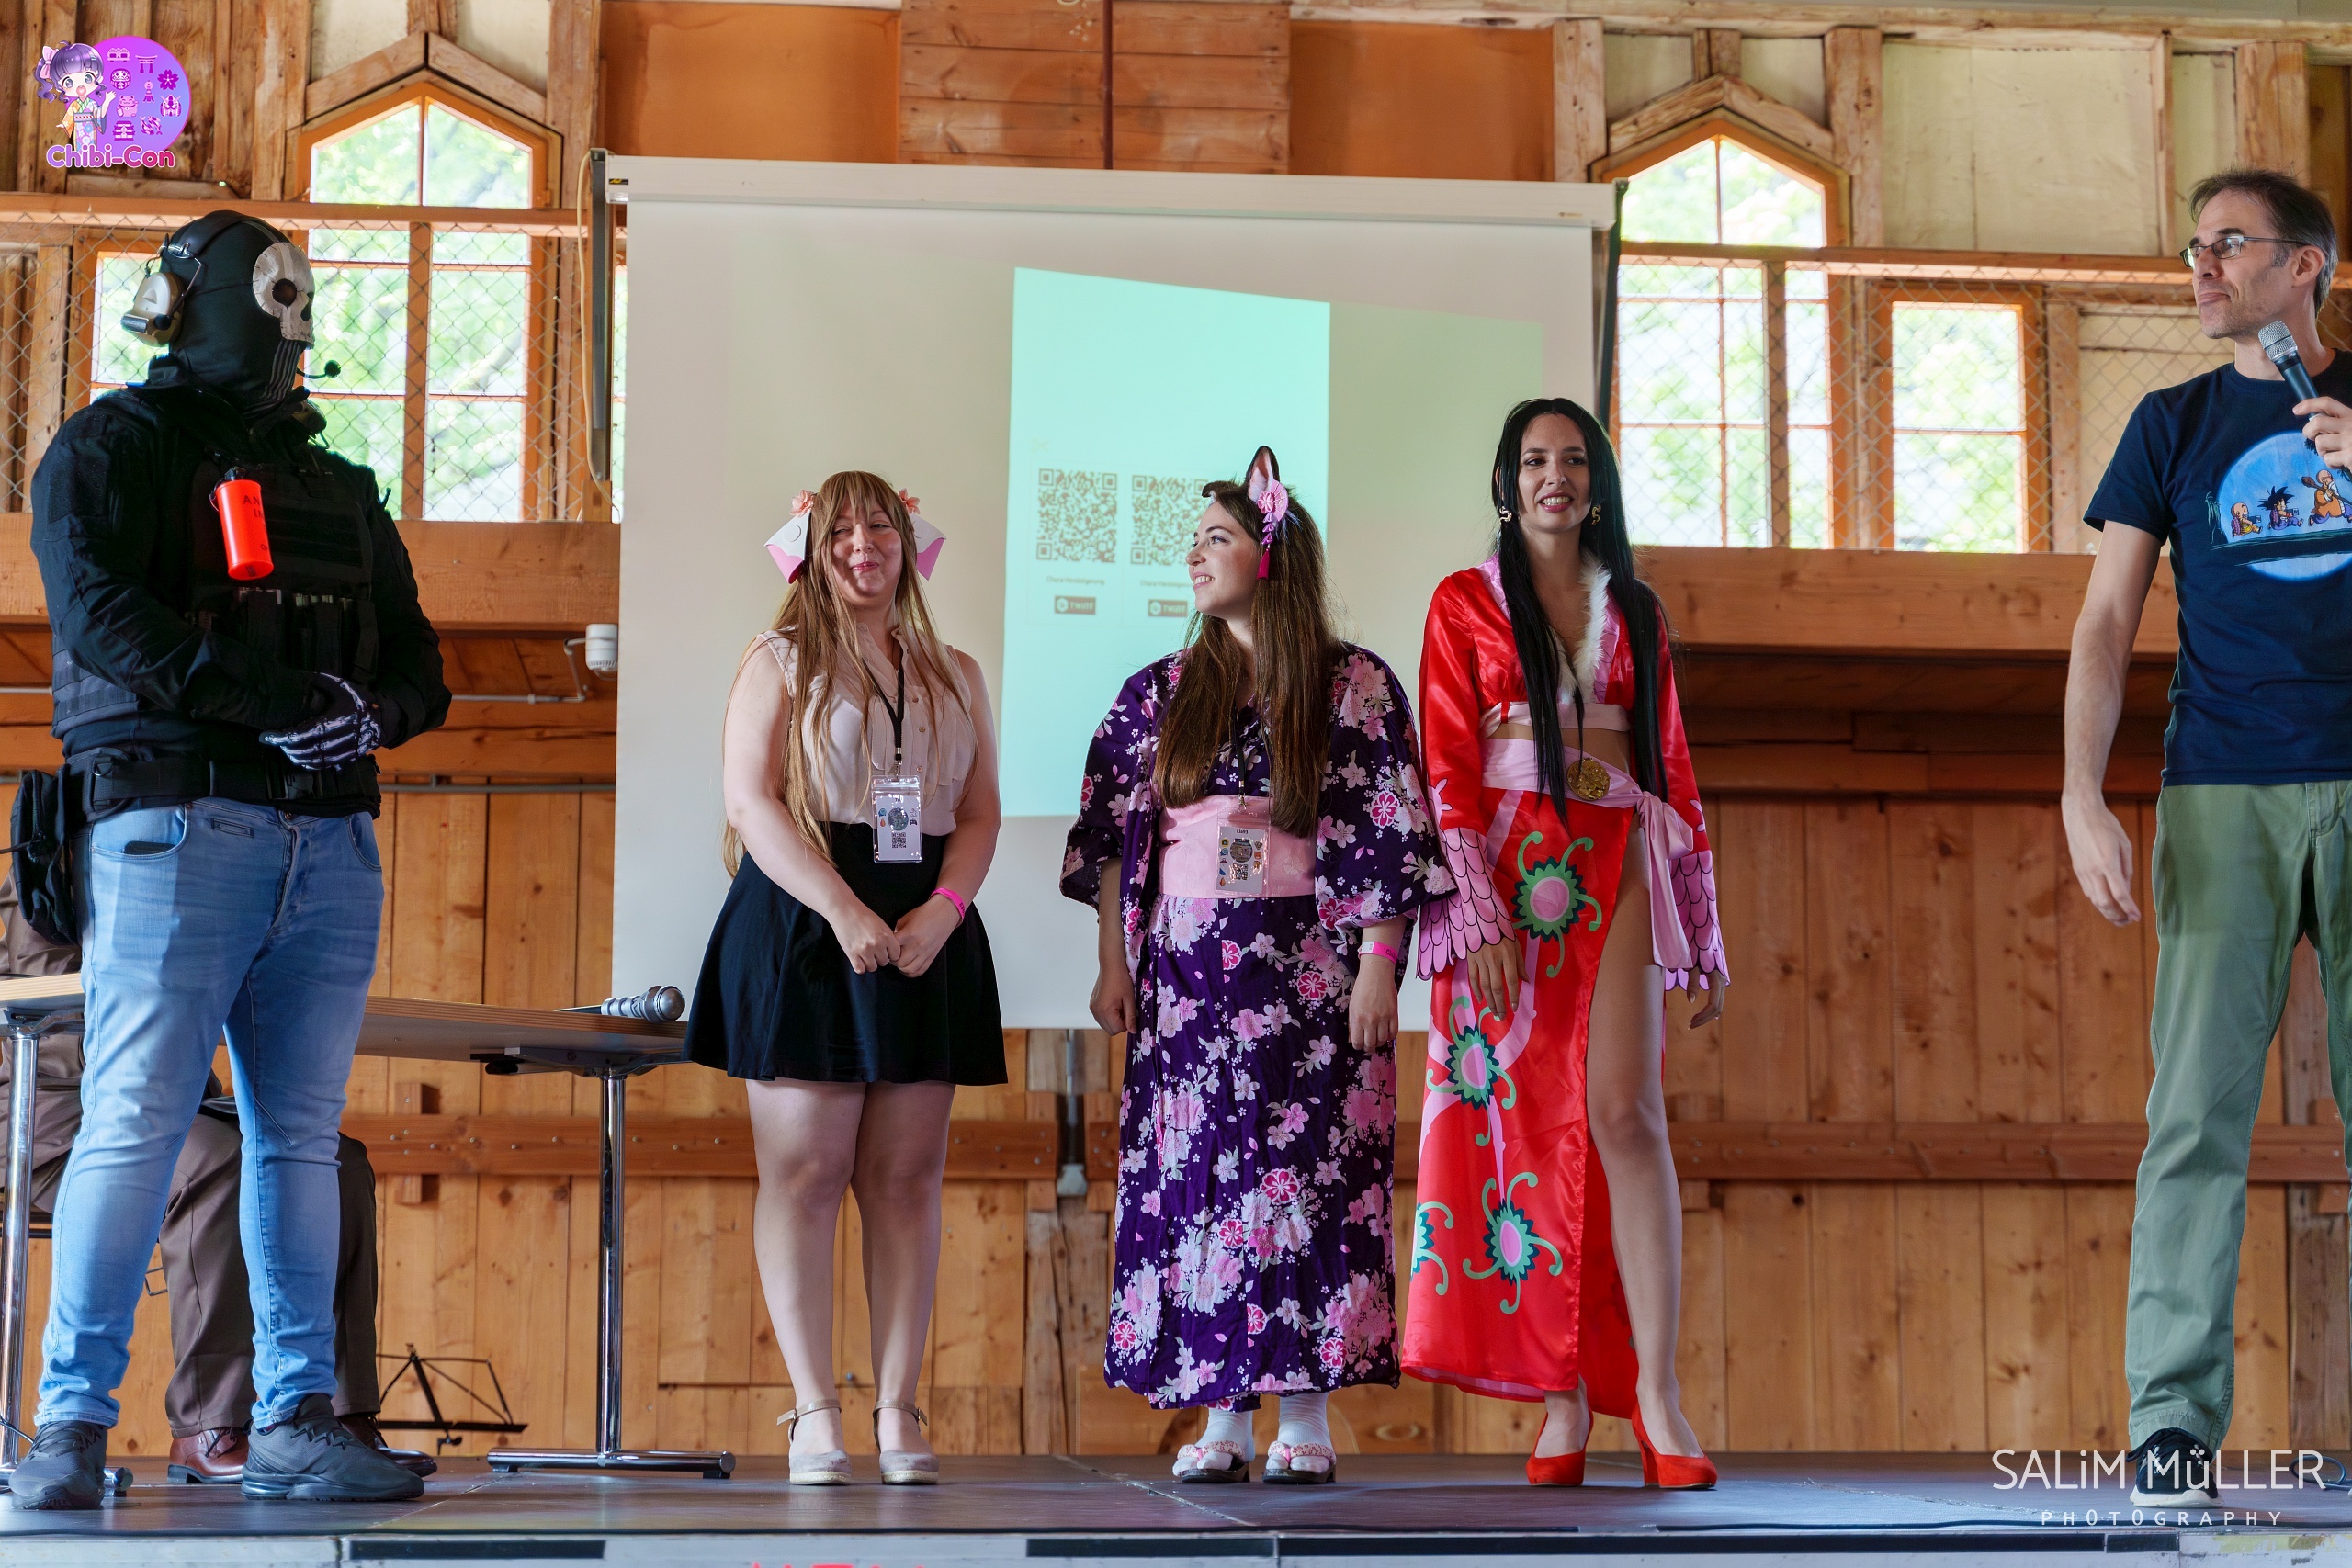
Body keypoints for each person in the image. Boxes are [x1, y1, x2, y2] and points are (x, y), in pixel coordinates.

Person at [10, 210, 447, 1509]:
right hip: (177, 820)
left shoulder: (339, 487)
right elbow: (101, 618)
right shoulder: (107, 447)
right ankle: (69, 1427)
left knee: (295, 1138)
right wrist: (279, 699)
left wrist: (372, 716)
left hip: (326, 832)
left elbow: (418, 661)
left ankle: (294, 1412)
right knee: (140, 1123)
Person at [1063, 447, 1450, 1484]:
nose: (1195, 556)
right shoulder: (1160, 690)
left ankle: (1305, 1413)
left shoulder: (1353, 684)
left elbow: (1386, 827)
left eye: (1218, 539)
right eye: (1192, 541)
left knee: (1307, 1179)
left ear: (1271, 556)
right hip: (1186, 979)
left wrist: (1381, 965)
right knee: (1200, 1184)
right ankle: (1222, 1416)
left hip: (1310, 973)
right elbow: (1112, 840)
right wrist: (1114, 962)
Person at [2064, 167, 2352, 1509]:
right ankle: (2171, 1424)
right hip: (2223, 788)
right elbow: (2105, 619)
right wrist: (2080, 792)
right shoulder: (2169, 422)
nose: (2202, 267)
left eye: (2229, 244)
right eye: (2193, 246)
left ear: (2306, 267)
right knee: (2192, 1116)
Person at [1401, 398, 1726, 1489]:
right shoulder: (1462, 601)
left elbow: (1671, 762)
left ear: (1597, 483)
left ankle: (1658, 1394)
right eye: (1535, 460)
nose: (1556, 476)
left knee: (1627, 1115)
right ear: (1506, 484)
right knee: (1531, 1129)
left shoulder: (1635, 607)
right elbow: (1444, 762)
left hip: (1614, 851)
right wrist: (1475, 912)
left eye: (1575, 460)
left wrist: (1702, 919)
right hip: (1502, 866)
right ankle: (1560, 1397)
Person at [686, 472, 1002, 1486]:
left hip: (924, 927)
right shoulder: (778, 657)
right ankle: (815, 1413)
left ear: (909, 542)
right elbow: (750, 801)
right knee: (806, 1173)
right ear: (811, 547)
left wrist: (942, 912)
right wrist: (845, 911)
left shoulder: (954, 670)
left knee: (906, 1179)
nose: (863, 544)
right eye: (842, 530)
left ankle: (899, 1410)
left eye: (881, 526)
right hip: (805, 922)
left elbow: (980, 813)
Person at [0, 874, 431, 1485]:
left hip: (178, 1101)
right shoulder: (70, 850)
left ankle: (334, 1416)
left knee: (340, 1158)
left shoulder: (235, 856)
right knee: (217, 1160)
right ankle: (211, 1424)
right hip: (59, 1115)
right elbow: (51, 990)